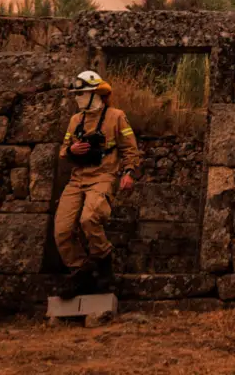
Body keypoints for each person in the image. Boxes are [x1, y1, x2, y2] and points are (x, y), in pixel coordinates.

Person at [53, 70, 140, 298]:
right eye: (76, 93)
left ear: (95, 94)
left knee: (89, 218)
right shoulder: (75, 120)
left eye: (81, 93)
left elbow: (130, 148)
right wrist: (70, 150)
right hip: (77, 178)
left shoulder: (116, 116)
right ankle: (82, 273)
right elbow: (63, 150)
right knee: (62, 230)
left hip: (104, 175)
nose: (77, 98)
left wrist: (128, 172)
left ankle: (103, 263)